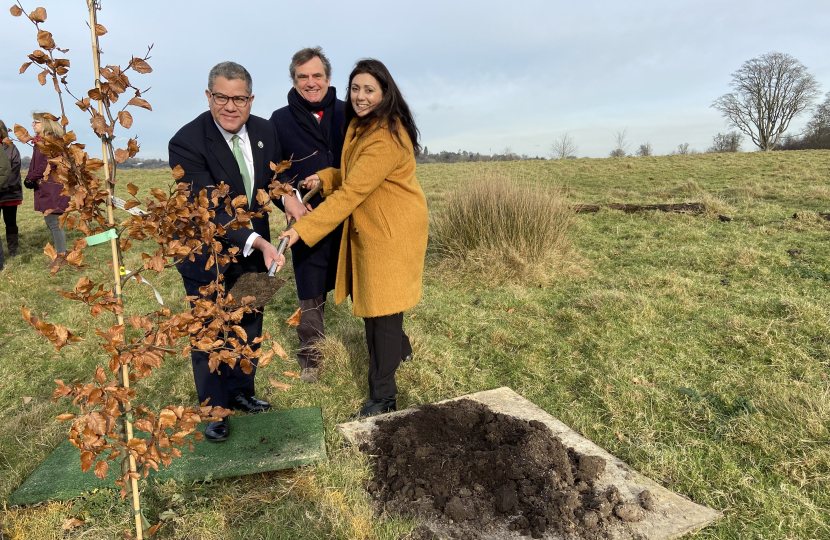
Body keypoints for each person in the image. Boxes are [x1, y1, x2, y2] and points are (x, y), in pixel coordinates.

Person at [280, 59, 429, 418]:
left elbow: (352, 193)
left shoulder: (386, 136)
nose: (360, 97)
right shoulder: (364, 126)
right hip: (374, 228)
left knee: (384, 314)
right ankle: (396, 359)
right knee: (376, 308)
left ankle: (384, 396)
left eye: (369, 90)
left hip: (391, 233)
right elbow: (351, 173)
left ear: (385, 93)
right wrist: (325, 178)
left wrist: (301, 229)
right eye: (355, 89)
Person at [168, 61, 286, 442]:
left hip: (256, 250)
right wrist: (259, 241)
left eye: (239, 98)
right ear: (208, 96)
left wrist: (294, 199)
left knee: (249, 321)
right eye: (222, 97)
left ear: (251, 99)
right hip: (207, 254)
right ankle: (215, 410)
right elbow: (211, 211)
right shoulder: (185, 142)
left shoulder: (266, 129)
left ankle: (241, 391)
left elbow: (276, 180)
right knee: (209, 331)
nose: (230, 106)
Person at [268, 47, 346, 384]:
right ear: (294, 80)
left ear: (329, 79)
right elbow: (271, 174)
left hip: (351, 216)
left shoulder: (351, 113)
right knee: (310, 290)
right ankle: (311, 360)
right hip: (306, 218)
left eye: (317, 76)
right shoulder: (279, 120)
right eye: (303, 77)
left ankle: (389, 347)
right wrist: (289, 199)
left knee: (368, 281)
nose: (310, 82)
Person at [25, 112, 70, 269]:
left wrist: (31, 177)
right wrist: (31, 177)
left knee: (53, 222)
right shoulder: (41, 142)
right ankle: (61, 253)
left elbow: (47, 164)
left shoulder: (52, 142)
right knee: (51, 222)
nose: (32, 125)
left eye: (35, 122)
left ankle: (61, 256)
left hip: (53, 188)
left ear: (45, 124)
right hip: (46, 186)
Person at [0, 120, 23, 264]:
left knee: (11, 223)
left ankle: (13, 250)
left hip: (10, 193)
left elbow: (14, 171)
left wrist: (3, 185)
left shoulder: (11, 148)